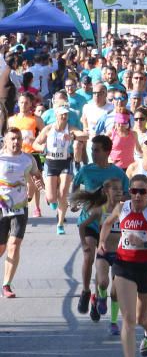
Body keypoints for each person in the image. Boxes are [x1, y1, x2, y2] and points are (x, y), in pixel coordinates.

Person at [99, 174, 147, 357]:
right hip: (124, 265)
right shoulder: (122, 207)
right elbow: (107, 223)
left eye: (142, 192)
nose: (137, 196)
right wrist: (102, 242)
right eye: (134, 191)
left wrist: (145, 244)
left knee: (141, 317)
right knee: (128, 318)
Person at [71, 134, 130, 313]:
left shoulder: (118, 173)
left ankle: (99, 295)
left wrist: (118, 200)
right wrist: (74, 203)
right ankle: (86, 291)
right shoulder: (86, 170)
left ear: (107, 152)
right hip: (89, 221)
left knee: (101, 261)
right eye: (92, 150)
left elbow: (126, 194)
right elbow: (74, 187)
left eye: (96, 150)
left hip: (109, 224)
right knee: (88, 255)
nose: (93, 154)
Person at [0, 128, 44, 298]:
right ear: (5, 141)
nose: (16, 142)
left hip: (20, 207)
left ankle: (6, 285)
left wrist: (38, 184)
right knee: (2, 247)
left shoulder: (28, 159)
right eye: (12, 139)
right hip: (1, 207)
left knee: (14, 245)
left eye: (18, 138)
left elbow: (36, 175)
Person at [33, 106, 85, 234]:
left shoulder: (70, 128)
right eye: (61, 114)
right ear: (56, 115)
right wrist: (43, 149)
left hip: (65, 163)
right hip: (51, 163)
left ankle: (60, 224)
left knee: (63, 193)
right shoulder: (49, 129)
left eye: (66, 114)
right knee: (51, 197)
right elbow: (35, 144)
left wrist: (73, 136)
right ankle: (51, 200)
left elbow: (85, 135)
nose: (64, 117)